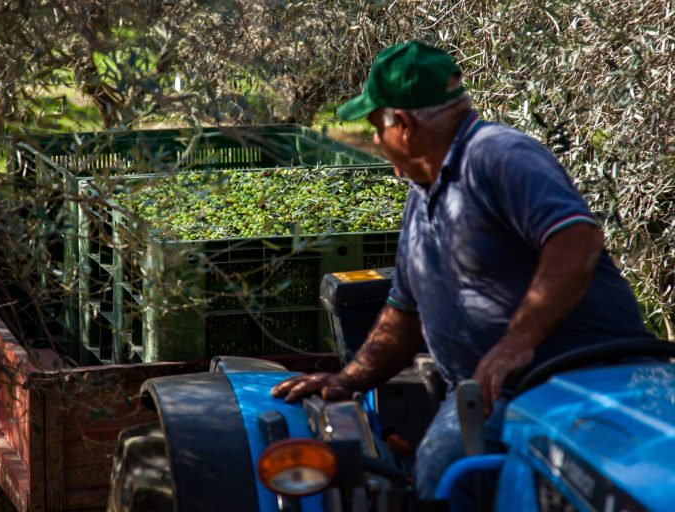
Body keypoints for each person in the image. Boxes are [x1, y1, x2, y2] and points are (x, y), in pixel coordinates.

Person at [271, 40, 654, 508]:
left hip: (575, 380)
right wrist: (348, 381)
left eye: (375, 127)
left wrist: (517, 341)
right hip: (483, 390)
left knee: (443, 469)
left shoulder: (498, 156)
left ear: (404, 125)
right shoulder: (422, 197)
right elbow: (402, 314)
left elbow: (575, 240)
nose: (373, 141)